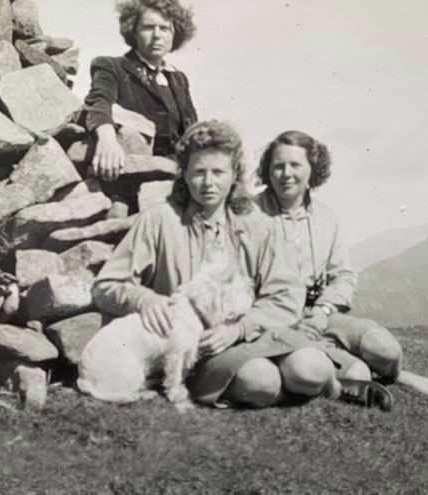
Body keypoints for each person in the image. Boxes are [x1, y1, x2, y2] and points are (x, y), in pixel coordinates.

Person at [93, 120, 334, 408]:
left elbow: (286, 296)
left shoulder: (256, 224)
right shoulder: (159, 220)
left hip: (251, 333)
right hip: (195, 349)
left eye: (218, 172)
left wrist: (240, 329)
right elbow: (106, 285)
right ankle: (274, 387)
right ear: (184, 175)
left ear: (235, 175)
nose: (208, 183)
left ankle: (317, 380)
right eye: (198, 172)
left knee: (311, 368)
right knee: (261, 381)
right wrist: (143, 298)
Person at [254, 130, 404, 407]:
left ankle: (390, 375)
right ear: (267, 170)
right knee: (347, 371)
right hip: (276, 320)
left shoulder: (326, 217)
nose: (286, 173)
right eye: (278, 165)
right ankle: (346, 374)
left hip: (322, 316)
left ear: (313, 170)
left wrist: (323, 312)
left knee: (386, 349)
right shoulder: (250, 215)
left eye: (295, 165)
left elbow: (343, 276)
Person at [82, 0, 199, 187]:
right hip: (129, 174)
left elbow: (192, 130)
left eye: (164, 28)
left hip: (174, 178)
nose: (157, 35)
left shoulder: (178, 79)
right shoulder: (111, 66)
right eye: (148, 27)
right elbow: (99, 103)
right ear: (133, 31)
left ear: (175, 34)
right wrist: (107, 140)